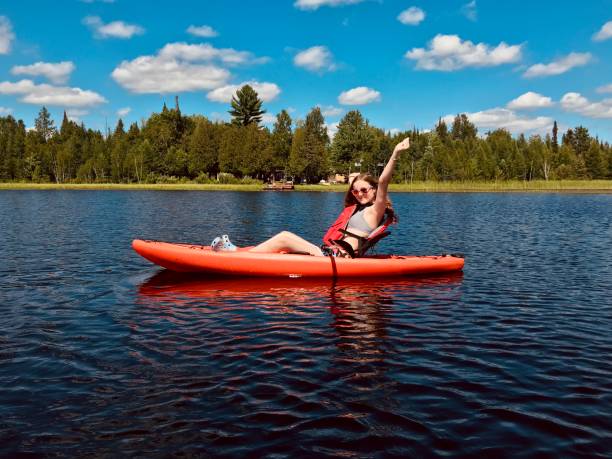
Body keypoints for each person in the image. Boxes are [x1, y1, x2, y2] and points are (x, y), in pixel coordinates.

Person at [211, 137, 411, 256]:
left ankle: (236, 255)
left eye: (364, 190)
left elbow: (383, 181)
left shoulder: (376, 209)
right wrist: (355, 179)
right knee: (282, 249)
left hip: (337, 258)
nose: (359, 194)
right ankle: (239, 251)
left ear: (374, 190)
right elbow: (356, 184)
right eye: (355, 191)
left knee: (285, 236)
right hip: (328, 253)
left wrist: (395, 153)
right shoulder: (359, 209)